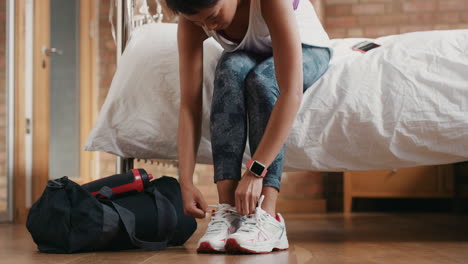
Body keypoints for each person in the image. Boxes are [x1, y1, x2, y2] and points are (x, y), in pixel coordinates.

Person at [165, 0, 332, 254]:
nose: (207, 27)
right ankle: (229, 211)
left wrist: (256, 171)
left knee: (262, 81)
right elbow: (189, 106)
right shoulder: (193, 19)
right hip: (256, 51)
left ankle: (268, 216)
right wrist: (185, 182)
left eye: (212, 16)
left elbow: (290, 93)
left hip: (307, 47)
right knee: (228, 71)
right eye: (199, 22)